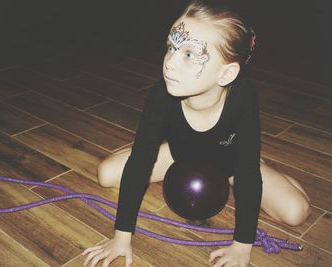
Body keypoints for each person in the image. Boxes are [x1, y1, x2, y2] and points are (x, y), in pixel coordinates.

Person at [82, 1, 312, 266]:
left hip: (232, 163)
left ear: (226, 73)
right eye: (171, 47)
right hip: (181, 154)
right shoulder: (160, 95)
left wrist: (242, 246)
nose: (170, 63)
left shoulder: (243, 97)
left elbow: (247, 175)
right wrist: (121, 238)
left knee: (296, 213)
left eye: (189, 54)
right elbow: (140, 164)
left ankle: (261, 162)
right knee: (106, 174)